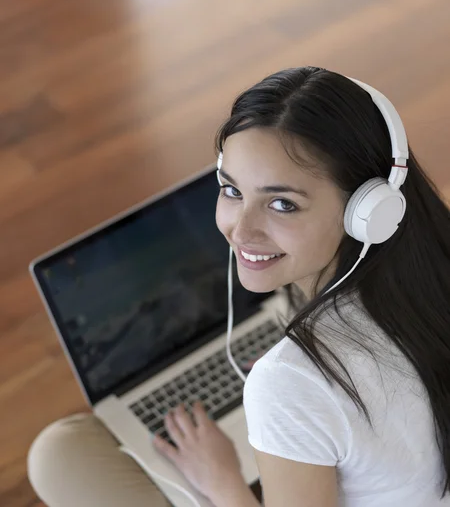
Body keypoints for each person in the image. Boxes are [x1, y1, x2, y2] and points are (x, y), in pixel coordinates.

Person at [28, 66, 450, 507]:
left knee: (60, 453)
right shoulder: (431, 271)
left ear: (368, 210)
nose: (241, 231)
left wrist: (224, 482)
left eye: (282, 204)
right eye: (231, 190)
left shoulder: (291, 382)